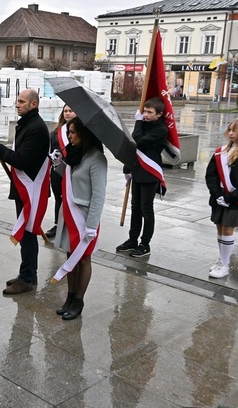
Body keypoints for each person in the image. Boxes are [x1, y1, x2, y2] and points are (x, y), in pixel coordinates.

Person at [0, 89, 49, 295]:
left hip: (30, 189)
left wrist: (0, 150)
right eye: (17, 101)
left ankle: (26, 278)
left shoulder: (36, 127)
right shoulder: (28, 123)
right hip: (24, 188)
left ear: (34, 104)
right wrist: (3, 149)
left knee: (28, 233)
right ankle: (29, 273)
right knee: (27, 234)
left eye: (22, 102)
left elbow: (22, 160)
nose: (17, 105)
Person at [52, 117, 107, 320]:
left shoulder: (96, 158)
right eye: (69, 132)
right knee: (70, 255)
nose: (69, 136)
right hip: (69, 215)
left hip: (84, 218)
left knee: (82, 259)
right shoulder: (75, 154)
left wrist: (91, 226)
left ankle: (79, 301)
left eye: (73, 132)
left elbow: (99, 195)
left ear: (85, 134)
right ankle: (69, 296)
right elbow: (71, 179)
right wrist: (58, 164)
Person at [206, 118, 238, 278]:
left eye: (234, 130)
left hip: (235, 200)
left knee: (228, 229)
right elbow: (211, 175)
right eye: (229, 130)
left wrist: (229, 198)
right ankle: (222, 259)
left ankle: (226, 264)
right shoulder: (220, 152)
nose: (230, 133)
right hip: (219, 198)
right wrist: (217, 195)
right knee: (220, 228)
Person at [116, 97, 168, 258]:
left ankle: (145, 244)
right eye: (144, 111)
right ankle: (132, 239)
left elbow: (138, 142)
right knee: (135, 208)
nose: (145, 115)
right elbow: (132, 148)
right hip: (137, 171)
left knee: (146, 209)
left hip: (150, 173)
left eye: (149, 112)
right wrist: (127, 169)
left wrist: (138, 123)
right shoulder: (143, 125)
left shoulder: (161, 130)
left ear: (159, 114)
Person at [45, 105, 76, 238]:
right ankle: (58, 225)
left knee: (70, 199)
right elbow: (49, 149)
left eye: (70, 111)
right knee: (59, 198)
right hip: (58, 170)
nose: (67, 114)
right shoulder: (56, 132)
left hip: (73, 170)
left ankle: (70, 225)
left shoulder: (81, 132)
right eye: (65, 111)